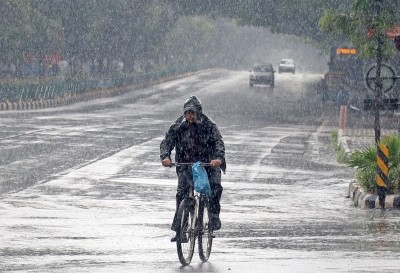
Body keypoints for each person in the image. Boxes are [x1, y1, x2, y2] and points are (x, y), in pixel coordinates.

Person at [160, 95, 226, 242]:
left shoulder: (209, 125)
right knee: (181, 194)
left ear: (198, 113)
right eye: (187, 113)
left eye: (192, 113)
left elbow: (218, 143)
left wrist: (218, 159)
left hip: (208, 164)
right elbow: (167, 141)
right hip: (186, 164)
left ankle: (214, 217)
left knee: (214, 187)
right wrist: (165, 157)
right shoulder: (178, 126)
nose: (190, 116)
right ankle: (180, 230)